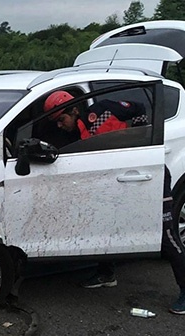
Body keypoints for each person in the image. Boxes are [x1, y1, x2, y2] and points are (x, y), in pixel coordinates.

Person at [44, 90, 185, 314]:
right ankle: (106, 273)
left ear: (74, 109)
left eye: (62, 119)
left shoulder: (101, 110)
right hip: (113, 179)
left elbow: (138, 107)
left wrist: (141, 141)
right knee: (103, 226)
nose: (60, 125)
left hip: (145, 173)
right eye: (56, 122)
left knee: (166, 235)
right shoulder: (75, 134)